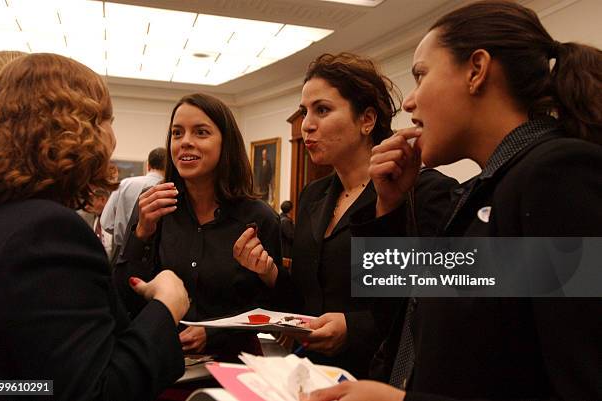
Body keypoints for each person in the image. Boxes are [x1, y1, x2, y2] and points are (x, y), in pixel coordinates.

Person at [306, 1, 602, 400]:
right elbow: (405, 319)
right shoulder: (485, 187)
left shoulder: (554, 174)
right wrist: (390, 209)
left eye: (421, 75)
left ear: (476, 71)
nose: (408, 102)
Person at [235, 52, 455, 378]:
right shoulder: (313, 196)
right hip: (313, 377)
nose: (307, 124)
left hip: (383, 379)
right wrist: (270, 274)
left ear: (366, 120)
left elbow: (437, 298)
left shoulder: (421, 192)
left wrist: (354, 327)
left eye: (322, 110)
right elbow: (307, 297)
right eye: (304, 112)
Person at [0, 53, 190, 401]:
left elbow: (28, 386)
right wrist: (166, 308)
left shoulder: (6, 217)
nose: (113, 137)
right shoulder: (46, 230)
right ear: (79, 128)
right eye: (108, 120)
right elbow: (95, 392)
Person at [115, 93, 282, 360]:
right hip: (163, 361)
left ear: (225, 144)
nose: (186, 143)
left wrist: (214, 333)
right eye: (177, 133)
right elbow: (124, 294)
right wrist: (141, 233)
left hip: (234, 364)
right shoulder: (155, 206)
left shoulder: (258, 217)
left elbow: (270, 306)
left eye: (201, 133)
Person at [101, 147, 167, 259]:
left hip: (122, 252)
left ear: (148, 166)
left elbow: (106, 222)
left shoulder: (124, 184)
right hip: (156, 256)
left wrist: (124, 234)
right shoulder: (169, 189)